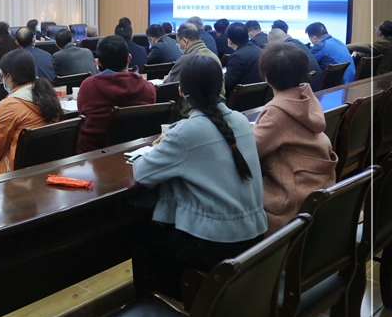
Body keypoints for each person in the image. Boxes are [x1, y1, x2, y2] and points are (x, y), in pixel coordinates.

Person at [131, 55, 267, 299]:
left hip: (216, 244)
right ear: (222, 87)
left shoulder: (186, 132)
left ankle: (158, 309)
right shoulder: (241, 120)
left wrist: (154, 150)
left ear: (181, 91)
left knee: (143, 240)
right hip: (253, 235)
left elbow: (142, 174)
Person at [252, 43, 337, 236]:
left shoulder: (277, 111)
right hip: (318, 190)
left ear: (267, 77)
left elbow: (249, 150)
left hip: (292, 204)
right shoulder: (306, 97)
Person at [0, 49, 63, 177]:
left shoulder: (9, 105)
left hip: (15, 173)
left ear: (9, 77)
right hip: (45, 166)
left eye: (2, 76)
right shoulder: (47, 93)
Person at [75, 35, 156, 153]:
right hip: (133, 152)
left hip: (92, 155)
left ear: (98, 62)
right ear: (129, 58)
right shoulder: (147, 88)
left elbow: (81, 112)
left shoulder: (88, 86)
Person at [223, 22, 264, 98]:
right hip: (260, 98)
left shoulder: (237, 56)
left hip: (241, 99)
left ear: (229, 40)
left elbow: (228, 82)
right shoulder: (261, 52)